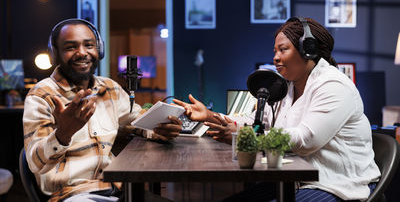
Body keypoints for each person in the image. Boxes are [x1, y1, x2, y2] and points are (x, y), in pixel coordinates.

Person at [174, 17, 381, 201]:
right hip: (295, 180)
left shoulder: (334, 86)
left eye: (283, 49)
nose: (275, 57)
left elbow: (306, 140)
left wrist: (245, 137)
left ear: (307, 49)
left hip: (336, 185)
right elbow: (256, 123)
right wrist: (210, 116)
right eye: (275, 51)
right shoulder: (285, 87)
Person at [23, 18, 182, 202]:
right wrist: (63, 134)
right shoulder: (41, 96)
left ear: (99, 50)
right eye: (70, 47)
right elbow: (34, 163)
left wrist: (161, 127)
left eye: (89, 45)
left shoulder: (110, 88)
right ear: (55, 54)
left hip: (117, 189)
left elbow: (136, 119)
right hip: (74, 195)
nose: (82, 53)